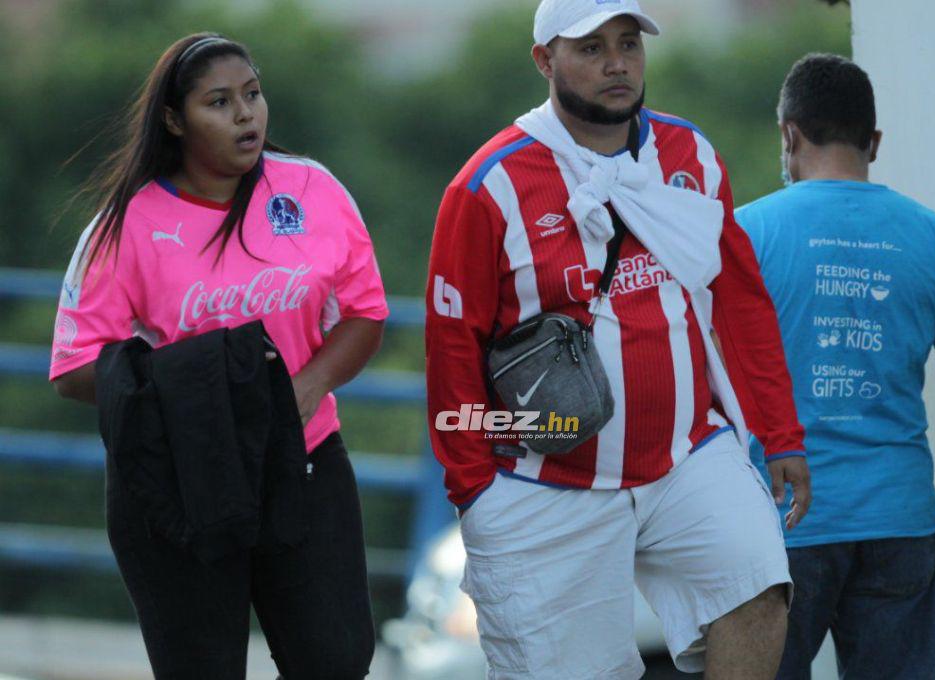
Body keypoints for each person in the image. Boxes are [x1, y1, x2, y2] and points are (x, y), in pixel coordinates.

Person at [425, 1, 812, 677]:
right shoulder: (487, 187)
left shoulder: (689, 154)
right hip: (545, 483)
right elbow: (451, 349)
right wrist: (475, 490)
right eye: (591, 47)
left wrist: (780, 434)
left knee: (758, 589)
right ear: (545, 60)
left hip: (688, 454)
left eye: (629, 44)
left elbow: (741, 300)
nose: (616, 64)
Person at [50, 33, 387, 679]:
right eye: (220, 101)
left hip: (303, 458)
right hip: (181, 477)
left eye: (253, 95)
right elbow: (73, 369)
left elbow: (366, 314)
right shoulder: (125, 226)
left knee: (335, 660)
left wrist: (302, 389)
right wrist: (204, 395)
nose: (246, 114)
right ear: (176, 120)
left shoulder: (313, 190)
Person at [736, 53, 935, 680]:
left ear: (788, 134)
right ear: (873, 141)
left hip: (779, 527)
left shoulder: (744, 235)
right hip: (902, 521)